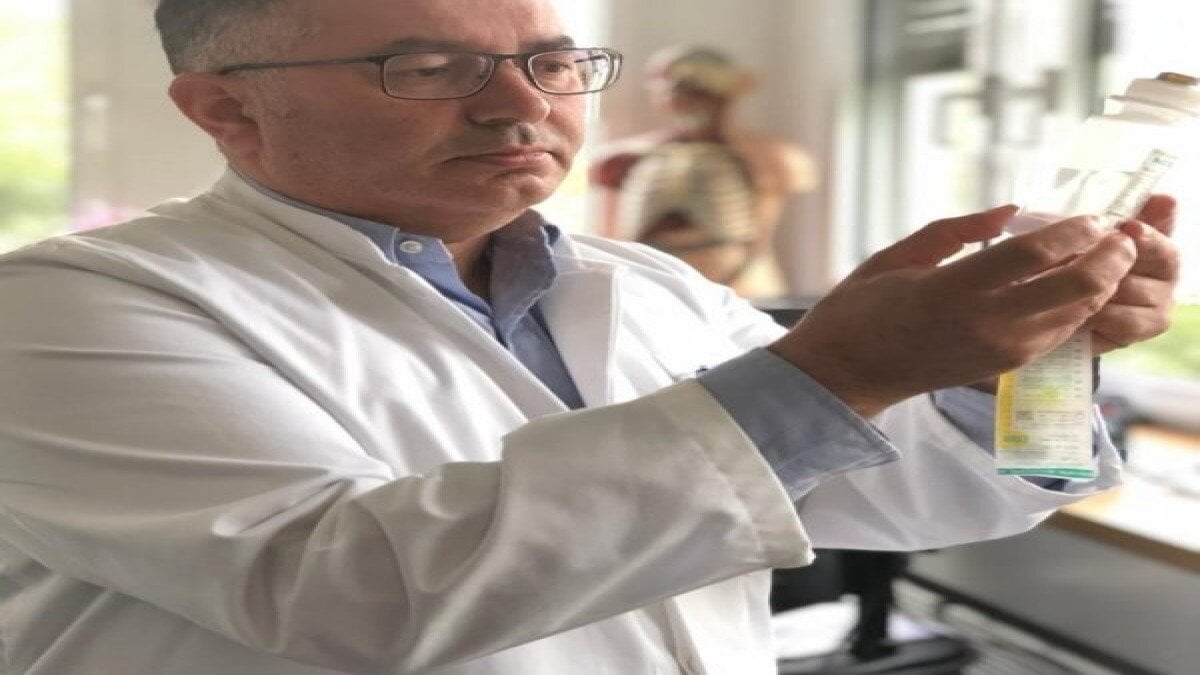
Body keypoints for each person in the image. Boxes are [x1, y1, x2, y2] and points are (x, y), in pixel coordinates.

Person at [0, 1, 1180, 674]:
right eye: (429, 68)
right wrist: (840, 368)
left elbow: (927, 498)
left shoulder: (645, 283)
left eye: (553, 63)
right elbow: (347, 593)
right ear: (226, 106)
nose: (524, 105)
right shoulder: (69, 305)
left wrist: (1038, 358)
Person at [590, 46, 818, 297]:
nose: (671, 89)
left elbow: (763, 230)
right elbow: (610, 237)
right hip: (652, 288)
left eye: (688, 82)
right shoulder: (624, 157)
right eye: (661, 80)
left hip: (743, 287)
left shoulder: (774, 159)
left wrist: (724, 119)